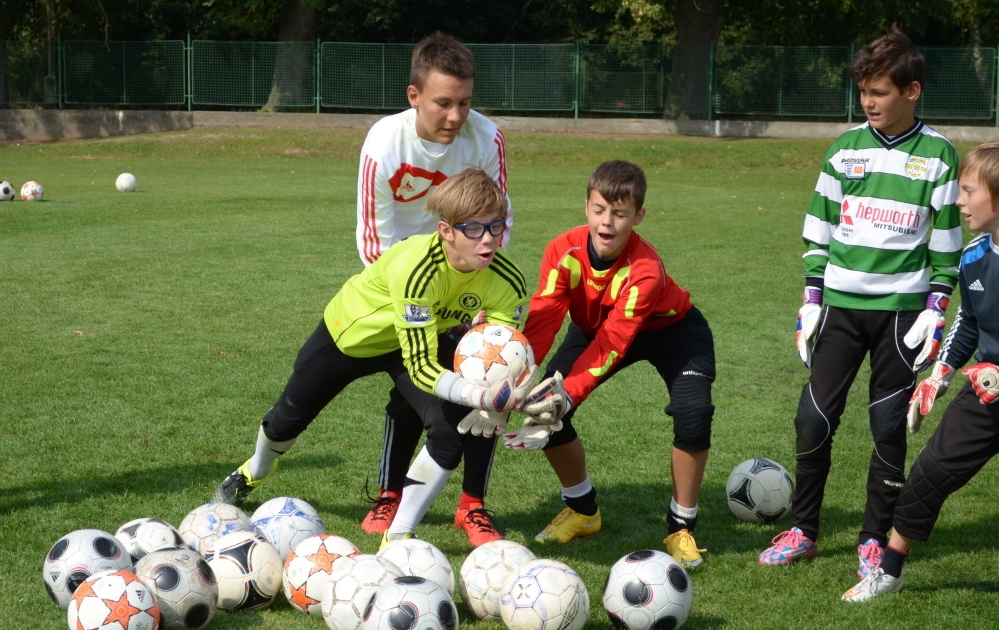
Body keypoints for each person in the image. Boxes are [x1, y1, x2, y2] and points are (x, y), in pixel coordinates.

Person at [212, 169, 534, 546]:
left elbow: (506, 351)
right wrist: (478, 396)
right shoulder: (417, 268)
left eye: (496, 226)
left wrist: (509, 396)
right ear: (446, 231)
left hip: (415, 343)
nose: (490, 239)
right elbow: (423, 368)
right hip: (350, 338)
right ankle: (255, 470)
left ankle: (398, 538)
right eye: (475, 229)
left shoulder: (507, 278)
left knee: (449, 431)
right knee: (284, 421)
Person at [841, 141, 999, 630]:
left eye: (968, 191)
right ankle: (890, 571)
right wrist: (939, 377)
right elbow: (969, 317)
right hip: (989, 386)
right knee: (930, 470)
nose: (959, 201)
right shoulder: (973, 255)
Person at [761, 26, 962, 577]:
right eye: (864, 92)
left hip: (902, 315)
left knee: (888, 426)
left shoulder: (940, 156)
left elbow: (947, 245)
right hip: (840, 310)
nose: (869, 102)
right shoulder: (844, 150)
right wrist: (810, 299)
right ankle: (803, 529)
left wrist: (935, 309)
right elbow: (819, 230)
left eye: (880, 92)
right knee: (812, 419)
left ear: (912, 91)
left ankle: (874, 537)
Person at [513, 160, 716, 567]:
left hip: (672, 331)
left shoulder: (645, 270)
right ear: (586, 207)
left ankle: (681, 528)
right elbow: (545, 317)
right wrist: (517, 378)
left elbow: (613, 343)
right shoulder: (562, 249)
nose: (608, 222)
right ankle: (584, 511)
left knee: (693, 412)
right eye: (599, 210)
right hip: (595, 330)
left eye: (620, 214)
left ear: (638, 216)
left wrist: (565, 395)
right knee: (542, 408)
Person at [354, 33, 512, 545]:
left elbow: (498, 220)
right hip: (404, 283)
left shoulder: (486, 138)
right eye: (444, 103)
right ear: (414, 95)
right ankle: (390, 494)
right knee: (412, 393)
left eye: (464, 102)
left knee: (489, 374)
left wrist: (475, 294)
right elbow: (375, 242)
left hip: (467, 277)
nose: (455, 115)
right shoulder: (383, 143)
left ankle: (473, 506)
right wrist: (423, 301)